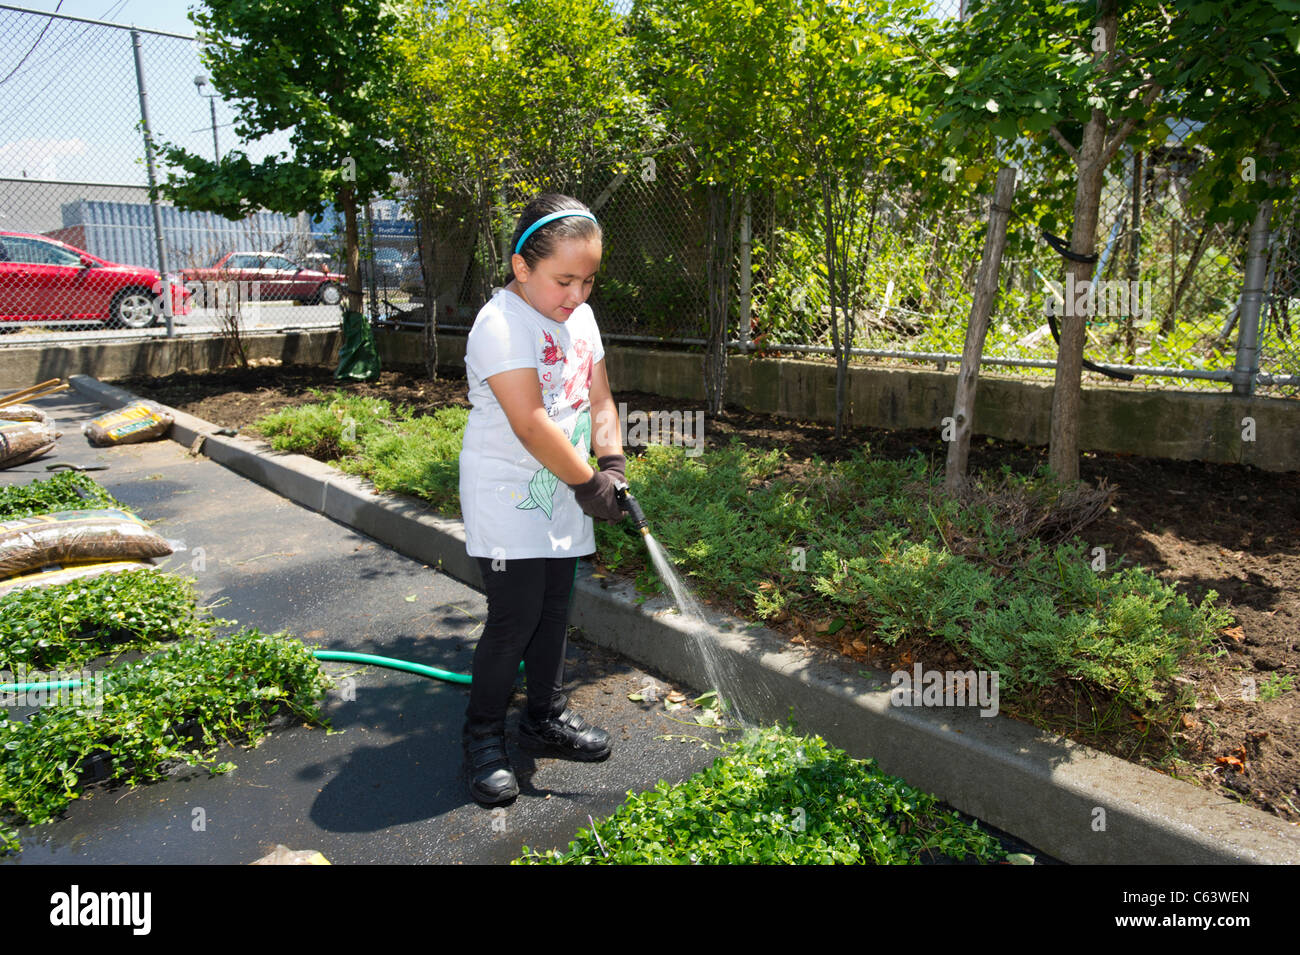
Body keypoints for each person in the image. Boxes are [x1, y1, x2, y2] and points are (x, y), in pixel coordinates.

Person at [458, 192, 627, 805]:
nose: (576, 294)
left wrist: (611, 463)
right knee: (514, 620)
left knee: (556, 608)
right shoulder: (501, 323)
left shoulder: (579, 316)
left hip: (566, 489)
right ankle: (482, 739)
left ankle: (543, 720)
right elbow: (530, 421)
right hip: (509, 494)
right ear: (522, 266)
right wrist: (591, 483)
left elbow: (600, 399)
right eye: (563, 279)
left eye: (587, 281)